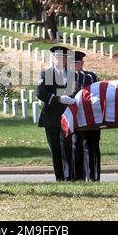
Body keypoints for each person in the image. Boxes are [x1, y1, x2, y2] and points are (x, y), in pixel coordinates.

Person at [37, 46, 76, 181]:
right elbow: (41, 93)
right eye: (56, 57)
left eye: (61, 57)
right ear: (53, 59)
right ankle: (59, 177)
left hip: (68, 116)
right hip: (51, 117)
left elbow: (75, 93)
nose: (58, 60)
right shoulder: (47, 74)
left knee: (67, 147)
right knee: (55, 149)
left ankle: (69, 176)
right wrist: (58, 98)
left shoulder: (72, 75)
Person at [71, 51, 101, 181]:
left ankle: (93, 176)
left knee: (91, 145)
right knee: (76, 145)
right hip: (76, 117)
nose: (74, 65)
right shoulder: (67, 78)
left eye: (76, 63)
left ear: (82, 63)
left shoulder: (91, 76)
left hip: (91, 117)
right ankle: (79, 177)